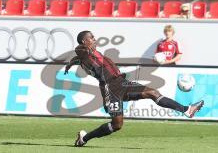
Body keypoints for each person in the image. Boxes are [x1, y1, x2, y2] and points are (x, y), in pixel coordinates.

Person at [64, 31, 204, 147]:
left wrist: (70, 64)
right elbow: (80, 52)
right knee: (117, 125)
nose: (95, 39)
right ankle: (84, 138)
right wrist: (78, 55)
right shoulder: (83, 52)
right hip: (110, 88)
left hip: (121, 82)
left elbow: (77, 59)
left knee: (152, 92)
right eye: (91, 38)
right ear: (84, 41)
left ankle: (186, 109)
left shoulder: (86, 55)